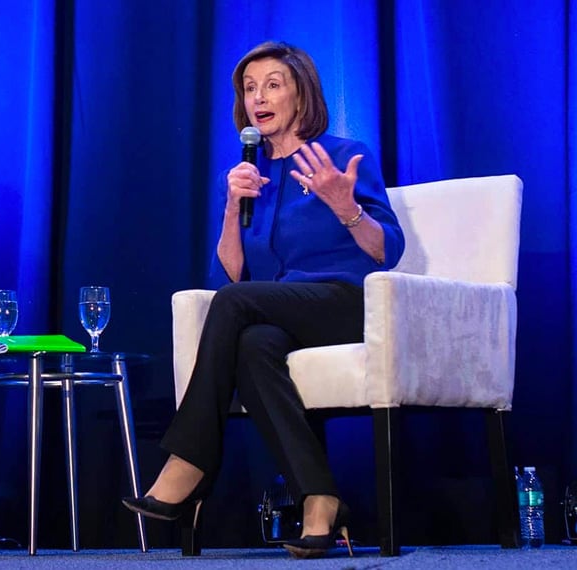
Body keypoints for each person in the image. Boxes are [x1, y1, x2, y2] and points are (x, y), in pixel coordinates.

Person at [122, 41, 405, 559]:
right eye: (250, 88)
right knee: (252, 344)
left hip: (345, 304)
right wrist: (232, 207)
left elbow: (388, 250)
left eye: (273, 84)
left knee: (235, 309)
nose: (259, 97)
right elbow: (227, 278)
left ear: (301, 93)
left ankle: (191, 460)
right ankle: (320, 499)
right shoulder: (253, 175)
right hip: (282, 308)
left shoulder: (340, 155)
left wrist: (346, 207)